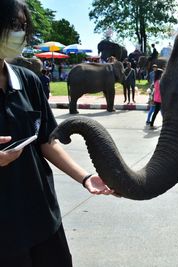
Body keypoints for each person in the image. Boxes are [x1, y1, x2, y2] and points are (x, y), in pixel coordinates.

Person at [0, 1, 114, 266]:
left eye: (23, 26)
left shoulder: (27, 81)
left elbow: (47, 141)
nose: (19, 33)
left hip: (40, 214)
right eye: (13, 25)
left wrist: (85, 177)